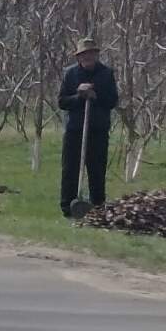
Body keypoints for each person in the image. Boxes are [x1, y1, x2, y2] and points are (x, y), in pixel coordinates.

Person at [58, 38, 121, 216]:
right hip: (75, 130)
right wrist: (79, 96)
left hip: (98, 130)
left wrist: (95, 96)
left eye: (91, 53)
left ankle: (98, 207)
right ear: (79, 57)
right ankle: (68, 208)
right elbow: (62, 102)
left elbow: (112, 101)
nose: (88, 57)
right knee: (70, 169)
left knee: (97, 170)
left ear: (96, 55)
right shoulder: (70, 74)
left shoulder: (106, 74)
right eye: (84, 54)